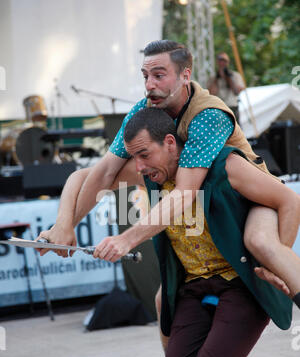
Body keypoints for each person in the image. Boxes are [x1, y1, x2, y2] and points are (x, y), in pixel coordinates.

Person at [38, 39, 299, 302]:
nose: (149, 84)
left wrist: (127, 239)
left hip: (251, 198)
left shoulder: (208, 114)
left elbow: (185, 192)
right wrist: (63, 227)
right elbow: (101, 172)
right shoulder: (144, 110)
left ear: (185, 76)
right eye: (145, 76)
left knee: (262, 243)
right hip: (209, 205)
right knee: (165, 301)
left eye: (159, 76)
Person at [89, 107, 299, 357]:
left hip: (240, 286)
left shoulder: (225, 165)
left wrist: (276, 259)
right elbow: (85, 177)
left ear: (171, 143)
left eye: (145, 154)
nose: (140, 167)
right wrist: (63, 225)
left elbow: (290, 200)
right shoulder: (152, 177)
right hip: (192, 289)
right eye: (134, 158)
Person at [207, 52, 245, 122]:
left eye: (224, 61)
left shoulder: (235, 75)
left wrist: (228, 77)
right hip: (218, 108)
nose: (222, 63)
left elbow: (236, 91)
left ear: (228, 62)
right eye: (220, 60)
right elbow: (211, 94)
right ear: (217, 62)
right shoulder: (213, 78)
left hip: (232, 107)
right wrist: (217, 78)